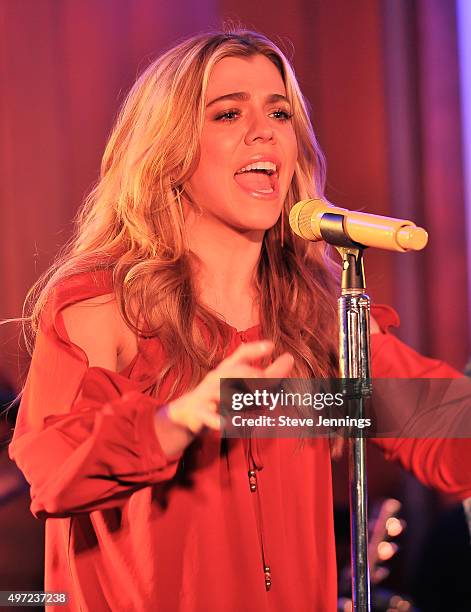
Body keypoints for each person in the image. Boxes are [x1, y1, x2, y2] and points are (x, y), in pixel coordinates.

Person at [8, 30, 471, 612]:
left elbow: (449, 433)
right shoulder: (104, 305)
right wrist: (175, 420)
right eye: (228, 113)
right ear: (168, 152)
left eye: (280, 112)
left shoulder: (317, 320)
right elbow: (51, 469)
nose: (265, 129)